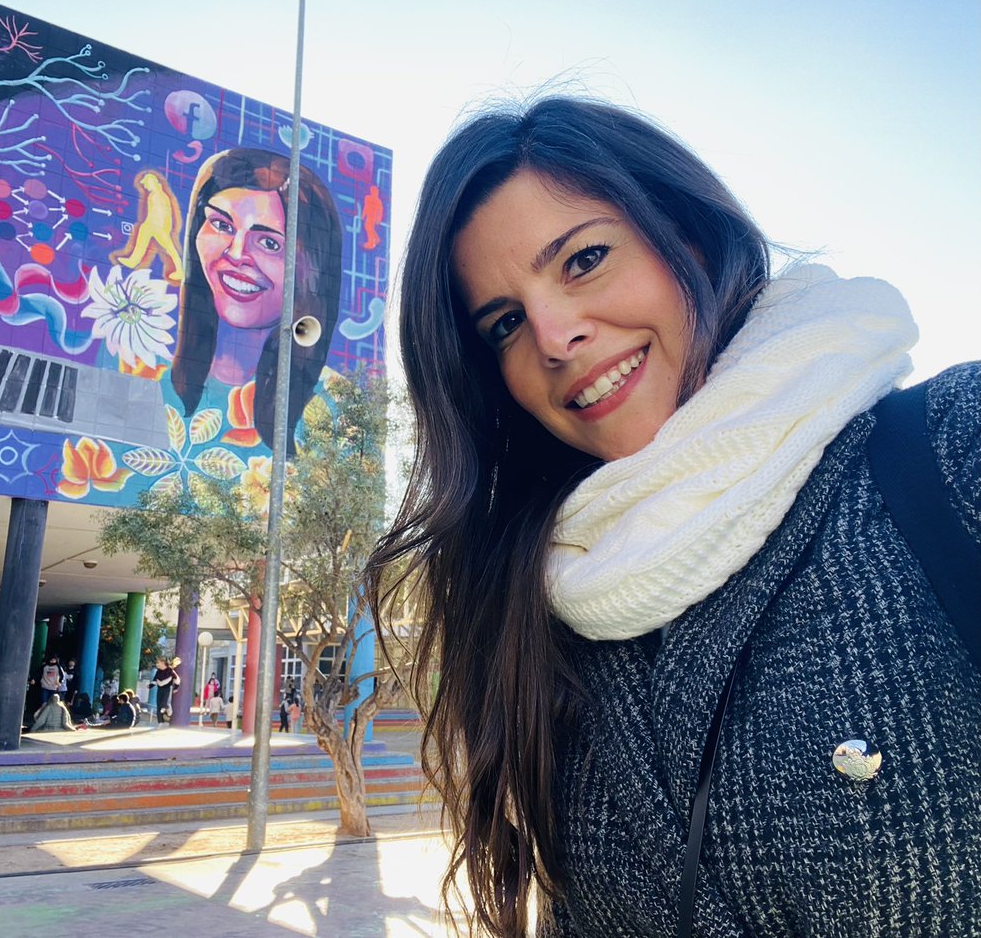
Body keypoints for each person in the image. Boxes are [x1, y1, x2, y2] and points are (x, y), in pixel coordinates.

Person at [365, 96, 980, 936]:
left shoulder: (946, 453)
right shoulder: (547, 604)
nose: (552, 335)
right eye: (505, 322)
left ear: (688, 235)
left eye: (583, 259)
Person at [169, 147, 343, 454]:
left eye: (268, 243)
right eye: (221, 225)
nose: (236, 254)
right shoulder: (138, 357)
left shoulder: (337, 405)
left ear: (310, 272)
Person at [148, 656, 179, 726]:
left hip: (167, 688)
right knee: (159, 705)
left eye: (158, 662)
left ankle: (168, 710)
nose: (157, 664)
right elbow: (155, 680)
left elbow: (177, 680)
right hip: (160, 689)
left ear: (162, 662)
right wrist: (150, 686)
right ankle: (160, 722)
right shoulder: (158, 671)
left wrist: (176, 688)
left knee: (165, 702)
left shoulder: (170, 671)